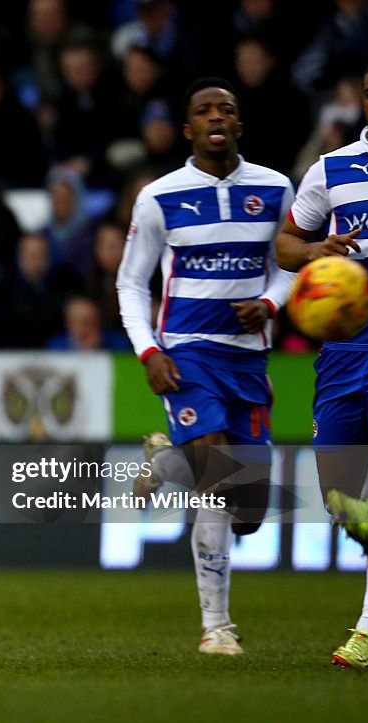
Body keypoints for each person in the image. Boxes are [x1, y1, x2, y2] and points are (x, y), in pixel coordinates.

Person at [116, 77, 295, 656]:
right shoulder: (159, 196)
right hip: (188, 353)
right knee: (218, 486)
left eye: (227, 109)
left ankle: (169, 462)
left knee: (248, 515)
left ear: (239, 126)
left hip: (248, 360)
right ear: (188, 128)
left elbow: (290, 264)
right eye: (203, 110)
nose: (216, 116)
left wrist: (270, 303)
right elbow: (130, 281)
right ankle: (216, 628)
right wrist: (149, 351)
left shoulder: (273, 189)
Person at [277, 53, 368, 671]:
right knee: (340, 500)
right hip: (342, 354)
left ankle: (367, 632)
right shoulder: (331, 170)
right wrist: (313, 250)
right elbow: (283, 244)